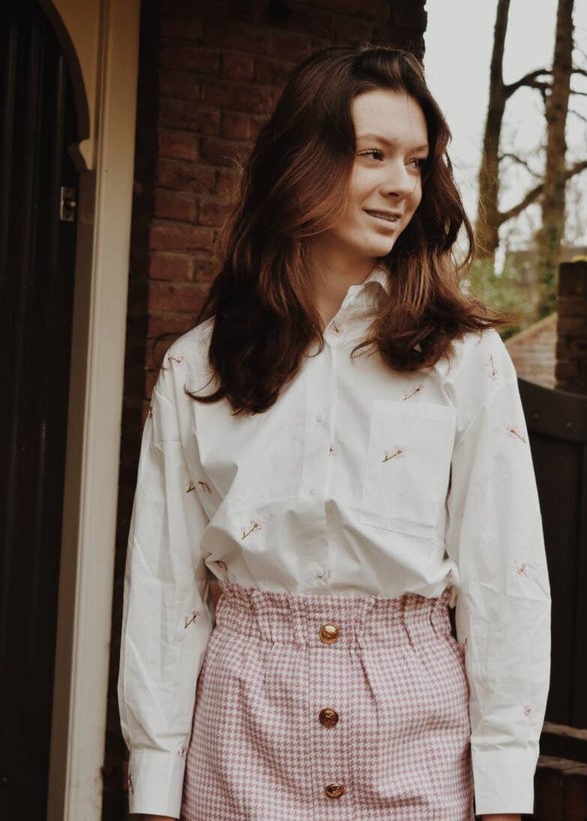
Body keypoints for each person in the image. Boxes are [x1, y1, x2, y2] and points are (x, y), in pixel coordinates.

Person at [118, 45, 551, 821]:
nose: (401, 185)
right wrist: (154, 783)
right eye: (373, 155)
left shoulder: (466, 361)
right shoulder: (197, 367)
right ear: (299, 166)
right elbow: (163, 587)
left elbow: (504, 581)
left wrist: (506, 793)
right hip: (241, 738)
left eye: (417, 162)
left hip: (417, 740)